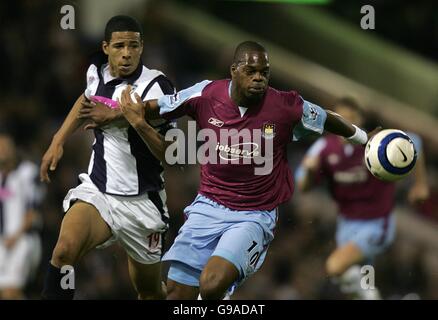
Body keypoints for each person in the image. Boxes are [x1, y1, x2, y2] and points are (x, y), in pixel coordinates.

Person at [118, 40, 375, 300]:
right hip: (206, 207)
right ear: (233, 70)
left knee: (211, 283)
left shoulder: (285, 106)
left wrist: (364, 139)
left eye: (264, 73)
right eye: (251, 72)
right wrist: (115, 113)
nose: (258, 79)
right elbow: (156, 106)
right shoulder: (206, 94)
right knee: (176, 295)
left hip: (253, 215)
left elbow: (326, 117)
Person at [40, 15, 175, 300]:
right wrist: (58, 140)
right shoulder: (97, 75)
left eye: (133, 46)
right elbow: (85, 101)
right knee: (64, 250)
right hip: (99, 192)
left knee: (149, 291)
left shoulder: (158, 87)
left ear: (141, 48)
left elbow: (172, 154)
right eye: (119, 46)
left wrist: (135, 121)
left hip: (143, 203)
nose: (126, 53)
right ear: (105, 48)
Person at [295, 97, 430, 299]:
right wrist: (308, 170)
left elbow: (414, 142)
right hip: (346, 225)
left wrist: (421, 184)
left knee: (334, 266)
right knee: (359, 286)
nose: (347, 125)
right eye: (342, 119)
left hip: (376, 224)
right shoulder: (324, 148)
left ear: (360, 121)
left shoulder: (376, 141)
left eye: (352, 119)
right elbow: (302, 187)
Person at [0, 133, 43, 299]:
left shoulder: (27, 172)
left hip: (23, 239)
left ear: (13, 150)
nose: (2, 151)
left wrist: (15, 236)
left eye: (5, 147)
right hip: (3, 241)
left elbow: (33, 211)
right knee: (6, 293)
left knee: (11, 291)